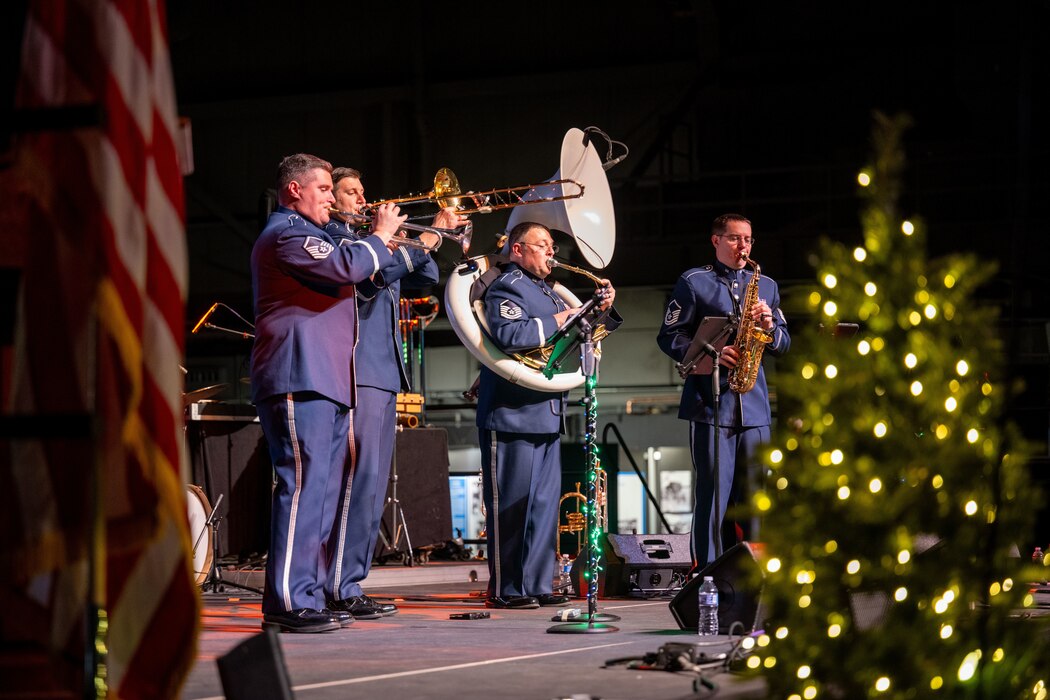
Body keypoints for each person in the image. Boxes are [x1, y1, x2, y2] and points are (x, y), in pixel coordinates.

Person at [250, 153, 404, 633]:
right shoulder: (288, 233)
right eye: (322, 189)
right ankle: (286, 601)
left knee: (322, 492)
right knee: (302, 489)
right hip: (300, 374)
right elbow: (344, 265)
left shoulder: (311, 232)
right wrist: (378, 236)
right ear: (295, 190)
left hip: (328, 380)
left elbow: (364, 269)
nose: (330, 199)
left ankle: (310, 593)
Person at [321, 167, 463, 619]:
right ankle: (337, 584)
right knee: (355, 481)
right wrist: (425, 237)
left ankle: (349, 582)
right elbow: (369, 281)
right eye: (349, 192)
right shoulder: (337, 241)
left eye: (364, 191)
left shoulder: (376, 242)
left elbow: (422, 277)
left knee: (372, 483)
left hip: (382, 373)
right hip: (356, 371)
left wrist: (416, 240)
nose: (362, 199)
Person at [476, 221, 619, 608]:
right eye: (543, 245)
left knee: (541, 506)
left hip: (546, 411)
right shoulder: (507, 286)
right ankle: (508, 589)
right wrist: (562, 318)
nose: (551, 253)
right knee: (511, 505)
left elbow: (580, 336)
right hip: (511, 412)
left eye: (552, 246)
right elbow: (510, 336)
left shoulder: (549, 292)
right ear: (518, 249)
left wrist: (599, 309)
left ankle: (537, 585)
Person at [657, 213, 790, 569]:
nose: (743, 246)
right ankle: (709, 579)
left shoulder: (768, 286)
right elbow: (670, 336)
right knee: (713, 499)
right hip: (711, 406)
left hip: (756, 410)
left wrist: (768, 325)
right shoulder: (694, 282)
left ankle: (756, 576)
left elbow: (784, 343)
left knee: (756, 501)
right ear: (716, 241)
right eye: (734, 239)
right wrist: (715, 352)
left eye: (748, 239)